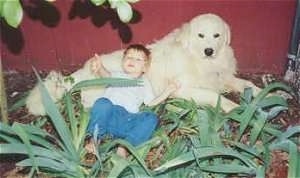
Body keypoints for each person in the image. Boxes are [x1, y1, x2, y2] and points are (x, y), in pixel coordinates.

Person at [86, 44, 180, 158]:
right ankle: (95, 139)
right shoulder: (117, 75)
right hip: (109, 116)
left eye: (138, 59)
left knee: (151, 118)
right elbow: (105, 75)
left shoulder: (144, 83)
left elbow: (151, 102)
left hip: (128, 120)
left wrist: (167, 91)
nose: (132, 60)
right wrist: (100, 67)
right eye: (129, 57)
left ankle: (125, 146)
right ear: (123, 61)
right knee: (102, 103)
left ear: (145, 68)